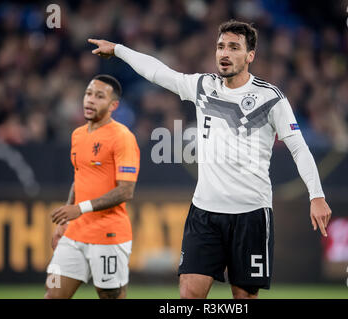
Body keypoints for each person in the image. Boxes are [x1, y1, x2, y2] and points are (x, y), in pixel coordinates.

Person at [89, 20, 331, 299]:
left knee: (243, 299)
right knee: (189, 294)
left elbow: (299, 147)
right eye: (220, 47)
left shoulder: (270, 98)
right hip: (205, 213)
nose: (224, 53)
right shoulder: (203, 86)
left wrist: (317, 195)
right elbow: (159, 73)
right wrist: (119, 49)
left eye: (233, 47)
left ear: (250, 56)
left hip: (251, 215)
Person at [44, 74, 140, 299]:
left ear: (113, 105)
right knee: (52, 295)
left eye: (99, 96)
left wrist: (80, 208)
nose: (90, 100)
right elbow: (80, 177)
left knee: (111, 297)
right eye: (88, 94)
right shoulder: (77, 134)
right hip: (74, 235)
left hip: (108, 235)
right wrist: (67, 219)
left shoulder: (122, 137)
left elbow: (126, 190)